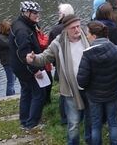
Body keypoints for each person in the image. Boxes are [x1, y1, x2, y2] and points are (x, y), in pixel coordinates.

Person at [27, 15, 91, 145]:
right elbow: (44, 58)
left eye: (78, 26)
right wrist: (33, 59)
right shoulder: (58, 43)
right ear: (65, 29)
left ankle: (90, 141)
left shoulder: (88, 38)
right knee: (73, 123)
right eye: (73, 28)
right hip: (70, 89)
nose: (77, 30)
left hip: (90, 87)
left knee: (91, 120)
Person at [77, 21, 117, 145]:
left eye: (88, 34)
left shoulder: (87, 54)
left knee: (96, 124)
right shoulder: (116, 50)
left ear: (94, 36)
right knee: (113, 121)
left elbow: (82, 80)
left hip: (94, 95)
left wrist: (88, 87)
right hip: (112, 91)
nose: (87, 36)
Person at [9, 1, 46, 130]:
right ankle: (32, 123)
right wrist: (35, 70)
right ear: (26, 13)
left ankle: (24, 120)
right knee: (38, 93)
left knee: (26, 92)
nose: (38, 15)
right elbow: (24, 54)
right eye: (35, 13)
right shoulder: (22, 31)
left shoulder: (22, 24)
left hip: (18, 67)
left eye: (38, 12)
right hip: (26, 68)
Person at [0, 19, 15, 96]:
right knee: (11, 81)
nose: (9, 31)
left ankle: (12, 94)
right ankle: (10, 97)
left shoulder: (5, 35)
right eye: (8, 30)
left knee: (13, 79)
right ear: (4, 29)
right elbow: (9, 44)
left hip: (11, 60)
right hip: (7, 62)